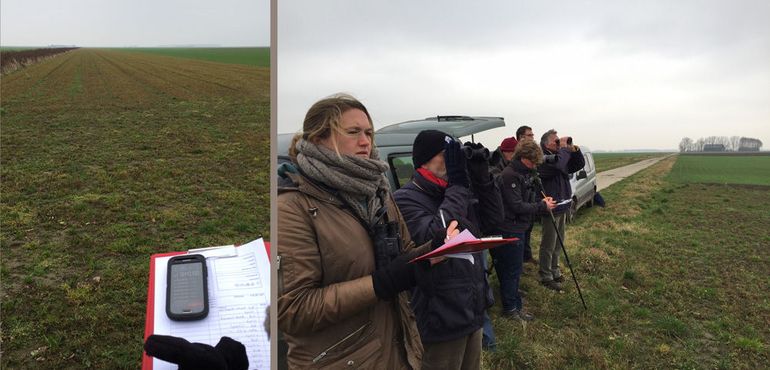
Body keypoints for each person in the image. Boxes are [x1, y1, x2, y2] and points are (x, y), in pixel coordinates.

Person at [277, 94, 451, 369]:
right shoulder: (292, 207)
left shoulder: (378, 191)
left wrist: (432, 250)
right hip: (341, 359)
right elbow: (292, 310)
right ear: (319, 137)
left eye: (368, 132)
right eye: (353, 132)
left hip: (397, 348)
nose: (365, 142)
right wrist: (379, 284)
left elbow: (402, 257)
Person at [393, 130, 502, 369]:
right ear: (424, 160)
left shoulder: (456, 192)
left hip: (471, 311)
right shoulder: (404, 199)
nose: (454, 163)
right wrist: (459, 186)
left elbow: (494, 221)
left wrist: (481, 178)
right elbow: (436, 239)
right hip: (438, 321)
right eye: (447, 156)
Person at [492, 140, 556, 320]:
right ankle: (511, 309)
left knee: (514, 269)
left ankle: (515, 306)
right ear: (524, 157)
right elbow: (516, 206)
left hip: (518, 227)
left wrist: (540, 201)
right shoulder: (510, 175)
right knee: (511, 270)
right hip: (510, 228)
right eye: (533, 161)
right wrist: (542, 207)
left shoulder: (523, 173)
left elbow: (525, 200)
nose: (534, 165)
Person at [537, 129, 585, 291]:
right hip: (551, 208)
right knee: (548, 243)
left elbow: (578, 165)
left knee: (558, 243)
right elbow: (558, 165)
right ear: (546, 144)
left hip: (563, 206)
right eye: (556, 142)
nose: (559, 144)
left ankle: (555, 270)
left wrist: (574, 150)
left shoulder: (560, 157)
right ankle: (545, 275)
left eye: (559, 141)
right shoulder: (542, 158)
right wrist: (564, 149)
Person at [515, 125, 537, 264]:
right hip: (518, 202)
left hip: (529, 199)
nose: (533, 138)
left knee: (528, 229)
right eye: (530, 135)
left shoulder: (530, 154)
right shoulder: (517, 155)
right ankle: (520, 259)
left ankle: (526, 257)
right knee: (521, 232)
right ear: (521, 137)